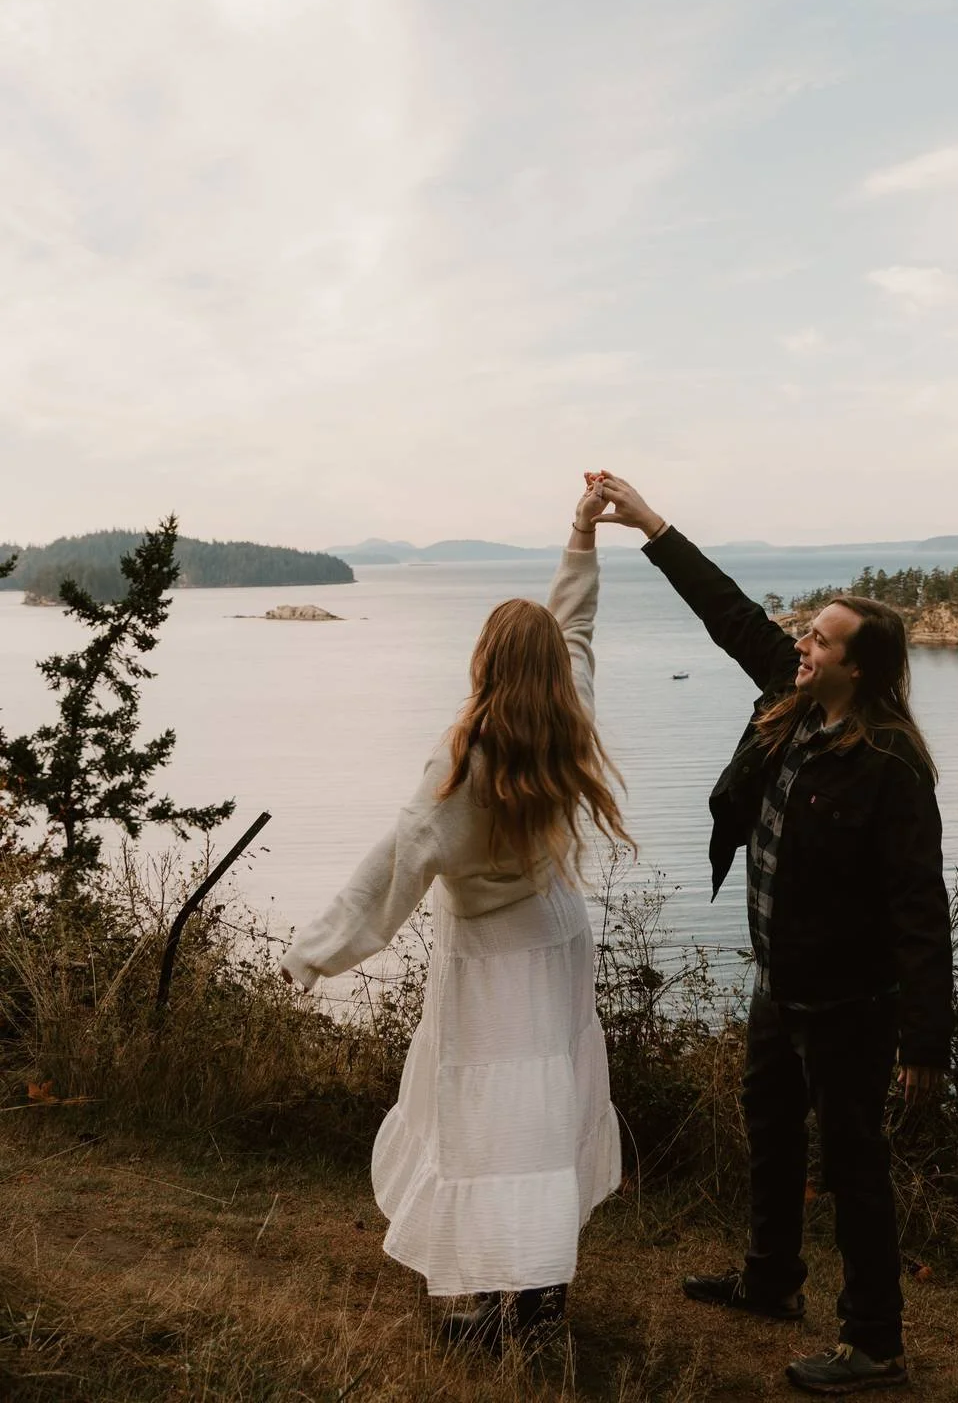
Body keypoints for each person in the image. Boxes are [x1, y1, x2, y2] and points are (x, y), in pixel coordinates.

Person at [591, 474, 953, 1397]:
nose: (803, 642)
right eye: (808, 631)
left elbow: (920, 907)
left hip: (850, 1002)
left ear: (859, 666)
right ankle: (770, 1281)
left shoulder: (891, 765)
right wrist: (651, 524)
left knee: (855, 1165)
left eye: (822, 639)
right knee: (771, 1133)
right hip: (776, 980)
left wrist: (925, 1039)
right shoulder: (788, 706)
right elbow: (730, 614)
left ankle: (874, 1343)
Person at [281, 479, 631, 1351]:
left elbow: (392, 869)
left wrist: (316, 953)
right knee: (544, 1119)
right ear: (550, 671)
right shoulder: (571, 722)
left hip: (486, 964)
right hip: (554, 943)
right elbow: (575, 626)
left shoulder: (460, 760)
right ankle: (539, 1306)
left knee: (485, 1129)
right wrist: (582, 535)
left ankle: (489, 1310)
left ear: (484, 663)